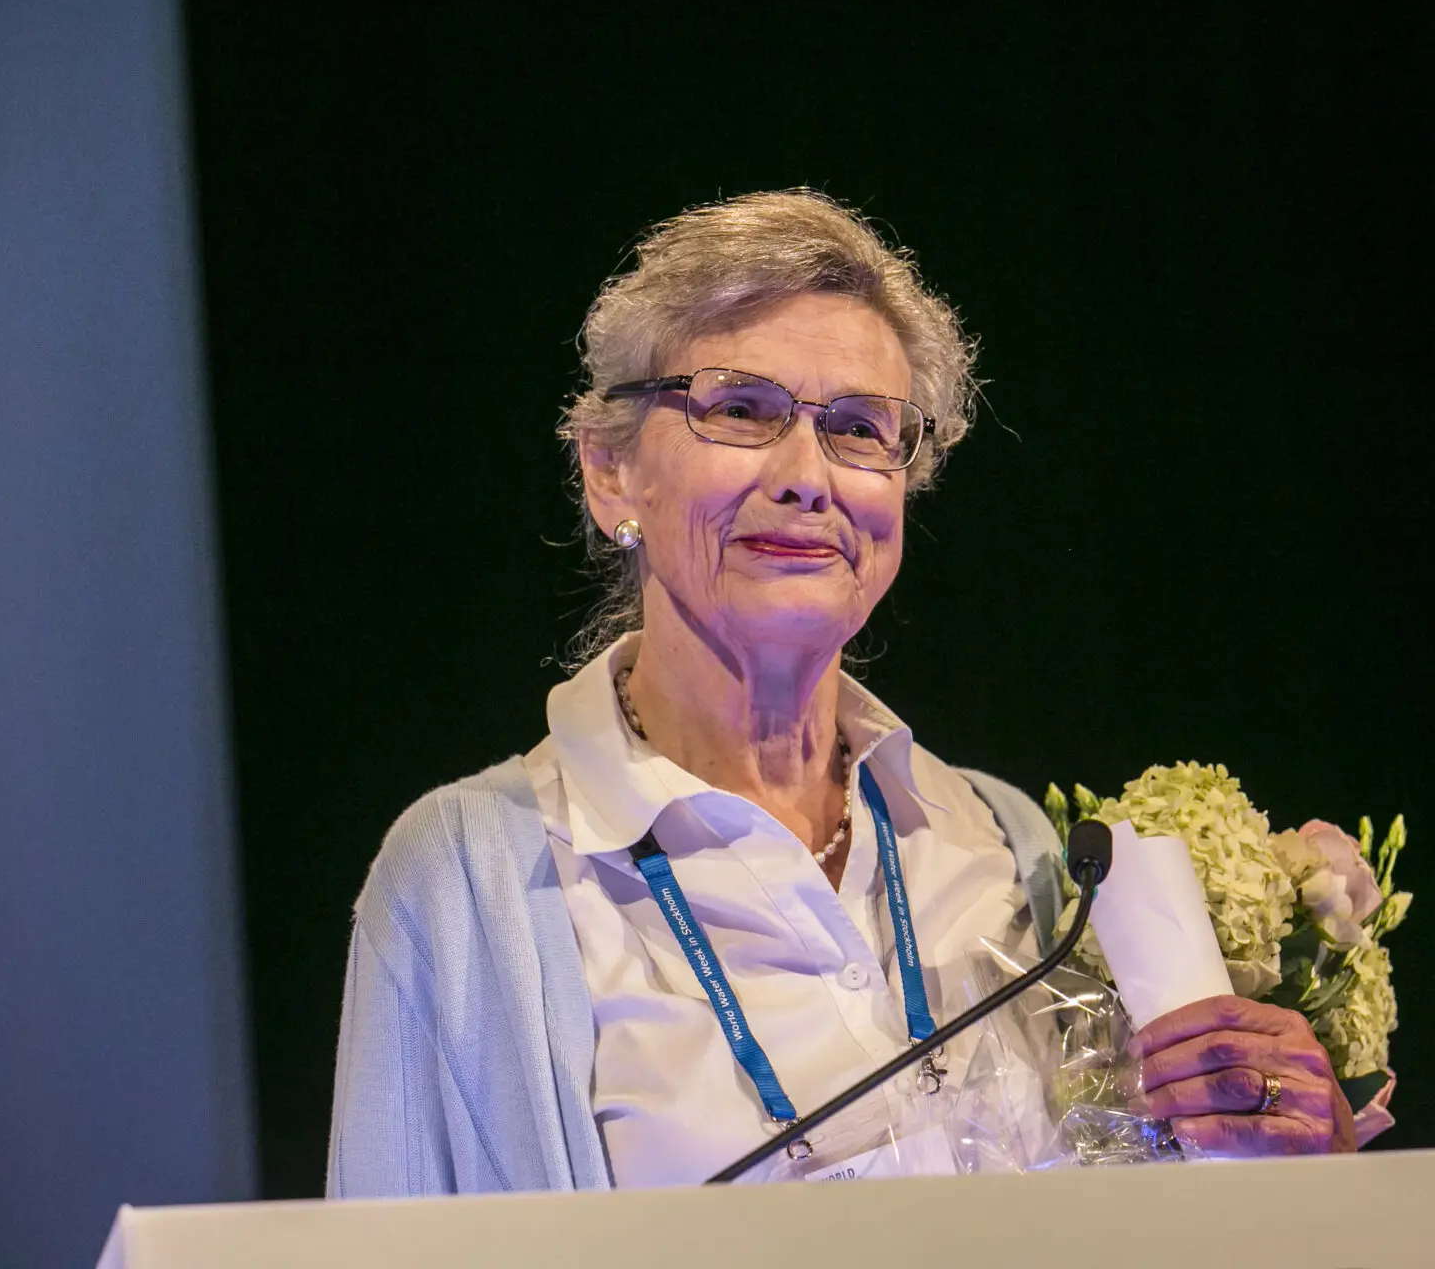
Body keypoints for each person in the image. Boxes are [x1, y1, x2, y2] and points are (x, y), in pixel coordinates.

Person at [327, 189, 1356, 1197]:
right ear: (610, 470)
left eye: (860, 427)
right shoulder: (470, 880)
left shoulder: (1011, 845)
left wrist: (1273, 1151)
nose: (807, 474)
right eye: (740, 408)